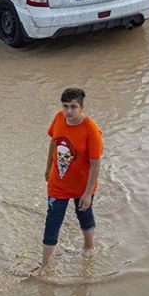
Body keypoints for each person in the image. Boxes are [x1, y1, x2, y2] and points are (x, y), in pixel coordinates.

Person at [37, 88, 103, 274]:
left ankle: (89, 248)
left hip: (82, 185)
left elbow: (95, 163)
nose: (68, 111)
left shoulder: (91, 130)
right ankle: (46, 264)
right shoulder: (59, 118)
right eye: (65, 106)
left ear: (82, 107)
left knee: (84, 214)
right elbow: (54, 141)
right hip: (58, 183)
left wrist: (88, 193)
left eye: (73, 107)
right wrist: (48, 167)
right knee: (53, 220)